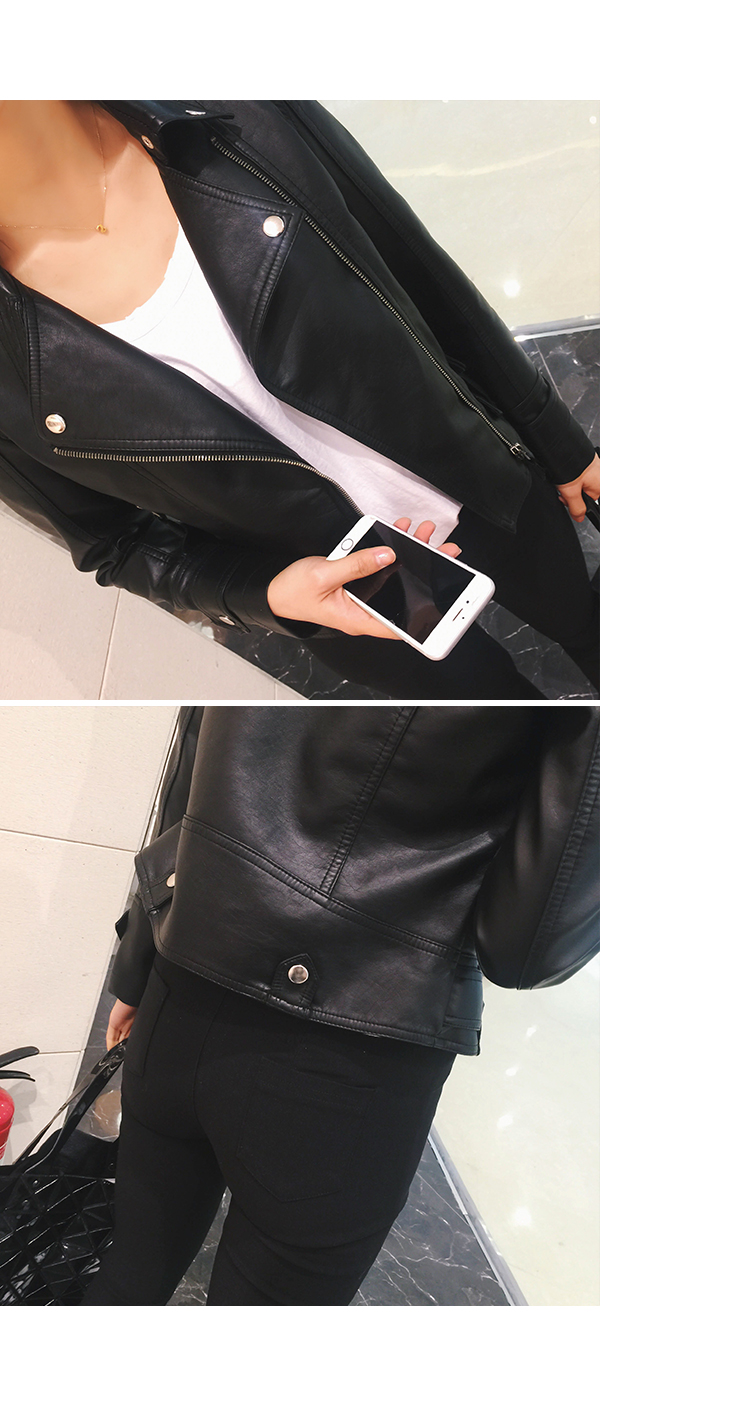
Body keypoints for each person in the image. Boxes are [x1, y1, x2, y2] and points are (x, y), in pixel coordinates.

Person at [0, 101, 599, 700]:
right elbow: (113, 542)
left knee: (591, 628)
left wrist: (552, 434)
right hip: (356, 603)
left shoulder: (222, 109)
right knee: (508, 721)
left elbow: (415, 268)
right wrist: (261, 594)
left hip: (479, 473)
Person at [82, 705, 600, 1306]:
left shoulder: (288, 631)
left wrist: (139, 962)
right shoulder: (577, 657)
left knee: (127, 1276)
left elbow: (195, 758)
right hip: (350, 1066)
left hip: (182, 993)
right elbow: (524, 949)